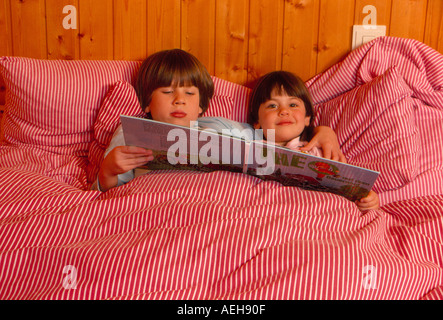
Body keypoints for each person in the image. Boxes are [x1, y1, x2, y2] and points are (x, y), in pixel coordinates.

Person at [95, 49, 346, 192]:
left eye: (189, 93)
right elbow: (106, 192)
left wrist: (323, 131)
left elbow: (271, 140)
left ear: (202, 105)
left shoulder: (218, 127)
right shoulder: (130, 132)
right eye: (168, 91)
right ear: (147, 101)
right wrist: (107, 170)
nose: (179, 100)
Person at [248, 70, 379, 211]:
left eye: (292, 105)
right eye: (272, 106)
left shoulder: (318, 151)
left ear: (307, 118)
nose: (284, 111)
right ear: (257, 122)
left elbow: (349, 189)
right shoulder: (250, 148)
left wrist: (368, 201)